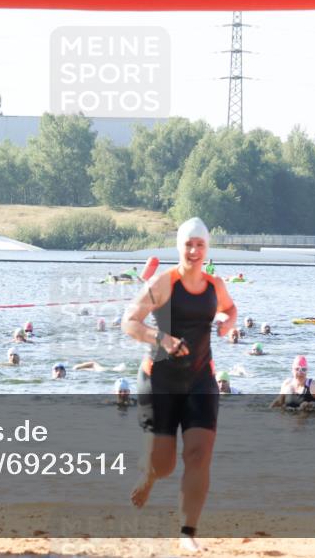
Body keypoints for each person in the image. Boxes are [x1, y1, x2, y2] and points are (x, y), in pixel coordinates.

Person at [121, 216, 236, 553]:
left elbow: (231, 309)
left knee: (199, 455)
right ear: (179, 247)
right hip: (160, 380)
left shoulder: (216, 286)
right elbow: (129, 321)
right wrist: (162, 338)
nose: (194, 250)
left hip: (201, 380)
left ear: (207, 248)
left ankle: (187, 533)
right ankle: (149, 475)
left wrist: (228, 323)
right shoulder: (163, 283)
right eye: (188, 243)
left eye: (200, 244)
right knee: (165, 464)